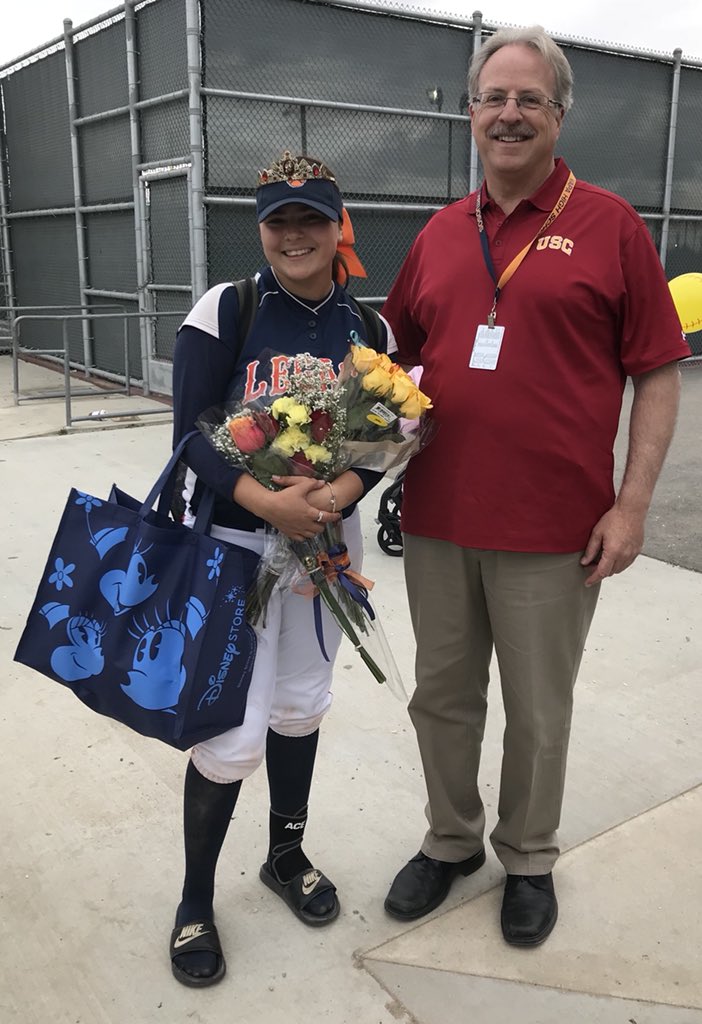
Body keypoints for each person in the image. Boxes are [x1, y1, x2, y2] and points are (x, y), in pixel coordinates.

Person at [381, 26, 690, 947]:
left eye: (528, 99)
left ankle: (527, 857)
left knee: (538, 708)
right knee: (441, 696)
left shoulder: (610, 226)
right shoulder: (438, 234)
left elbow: (660, 371)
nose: (508, 114)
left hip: (555, 528)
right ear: (470, 113)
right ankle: (450, 840)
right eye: (492, 97)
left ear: (558, 115)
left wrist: (631, 504)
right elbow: (393, 361)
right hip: (438, 519)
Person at [168, 151, 393, 986]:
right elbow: (191, 430)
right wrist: (266, 504)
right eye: (279, 220)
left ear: (339, 228)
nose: (295, 234)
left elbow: (382, 438)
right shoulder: (230, 308)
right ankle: (195, 899)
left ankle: (284, 855)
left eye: (312, 218)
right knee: (230, 731)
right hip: (237, 549)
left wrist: (333, 494)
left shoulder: (368, 330)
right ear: (261, 229)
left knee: (301, 707)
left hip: (326, 550)